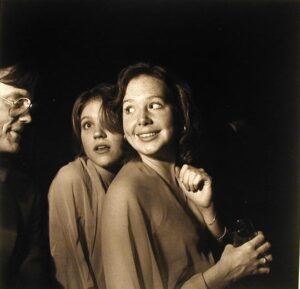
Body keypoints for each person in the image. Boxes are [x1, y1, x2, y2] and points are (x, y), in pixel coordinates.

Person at [101, 63, 272, 289]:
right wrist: (222, 275)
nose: (141, 119)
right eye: (129, 109)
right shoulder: (125, 193)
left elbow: (208, 254)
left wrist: (207, 210)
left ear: (181, 117)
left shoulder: (185, 174)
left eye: (154, 105)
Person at [48, 83, 124, 289]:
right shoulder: (70, 179)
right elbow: (70, 268)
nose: (98, 134)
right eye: (87, 125)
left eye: (108, 122)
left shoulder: (134, 177)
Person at [0, 63, 49, 289]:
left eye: (28, 106)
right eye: (17, 102)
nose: (27, 118)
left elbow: (33, 276)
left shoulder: (26, 193)